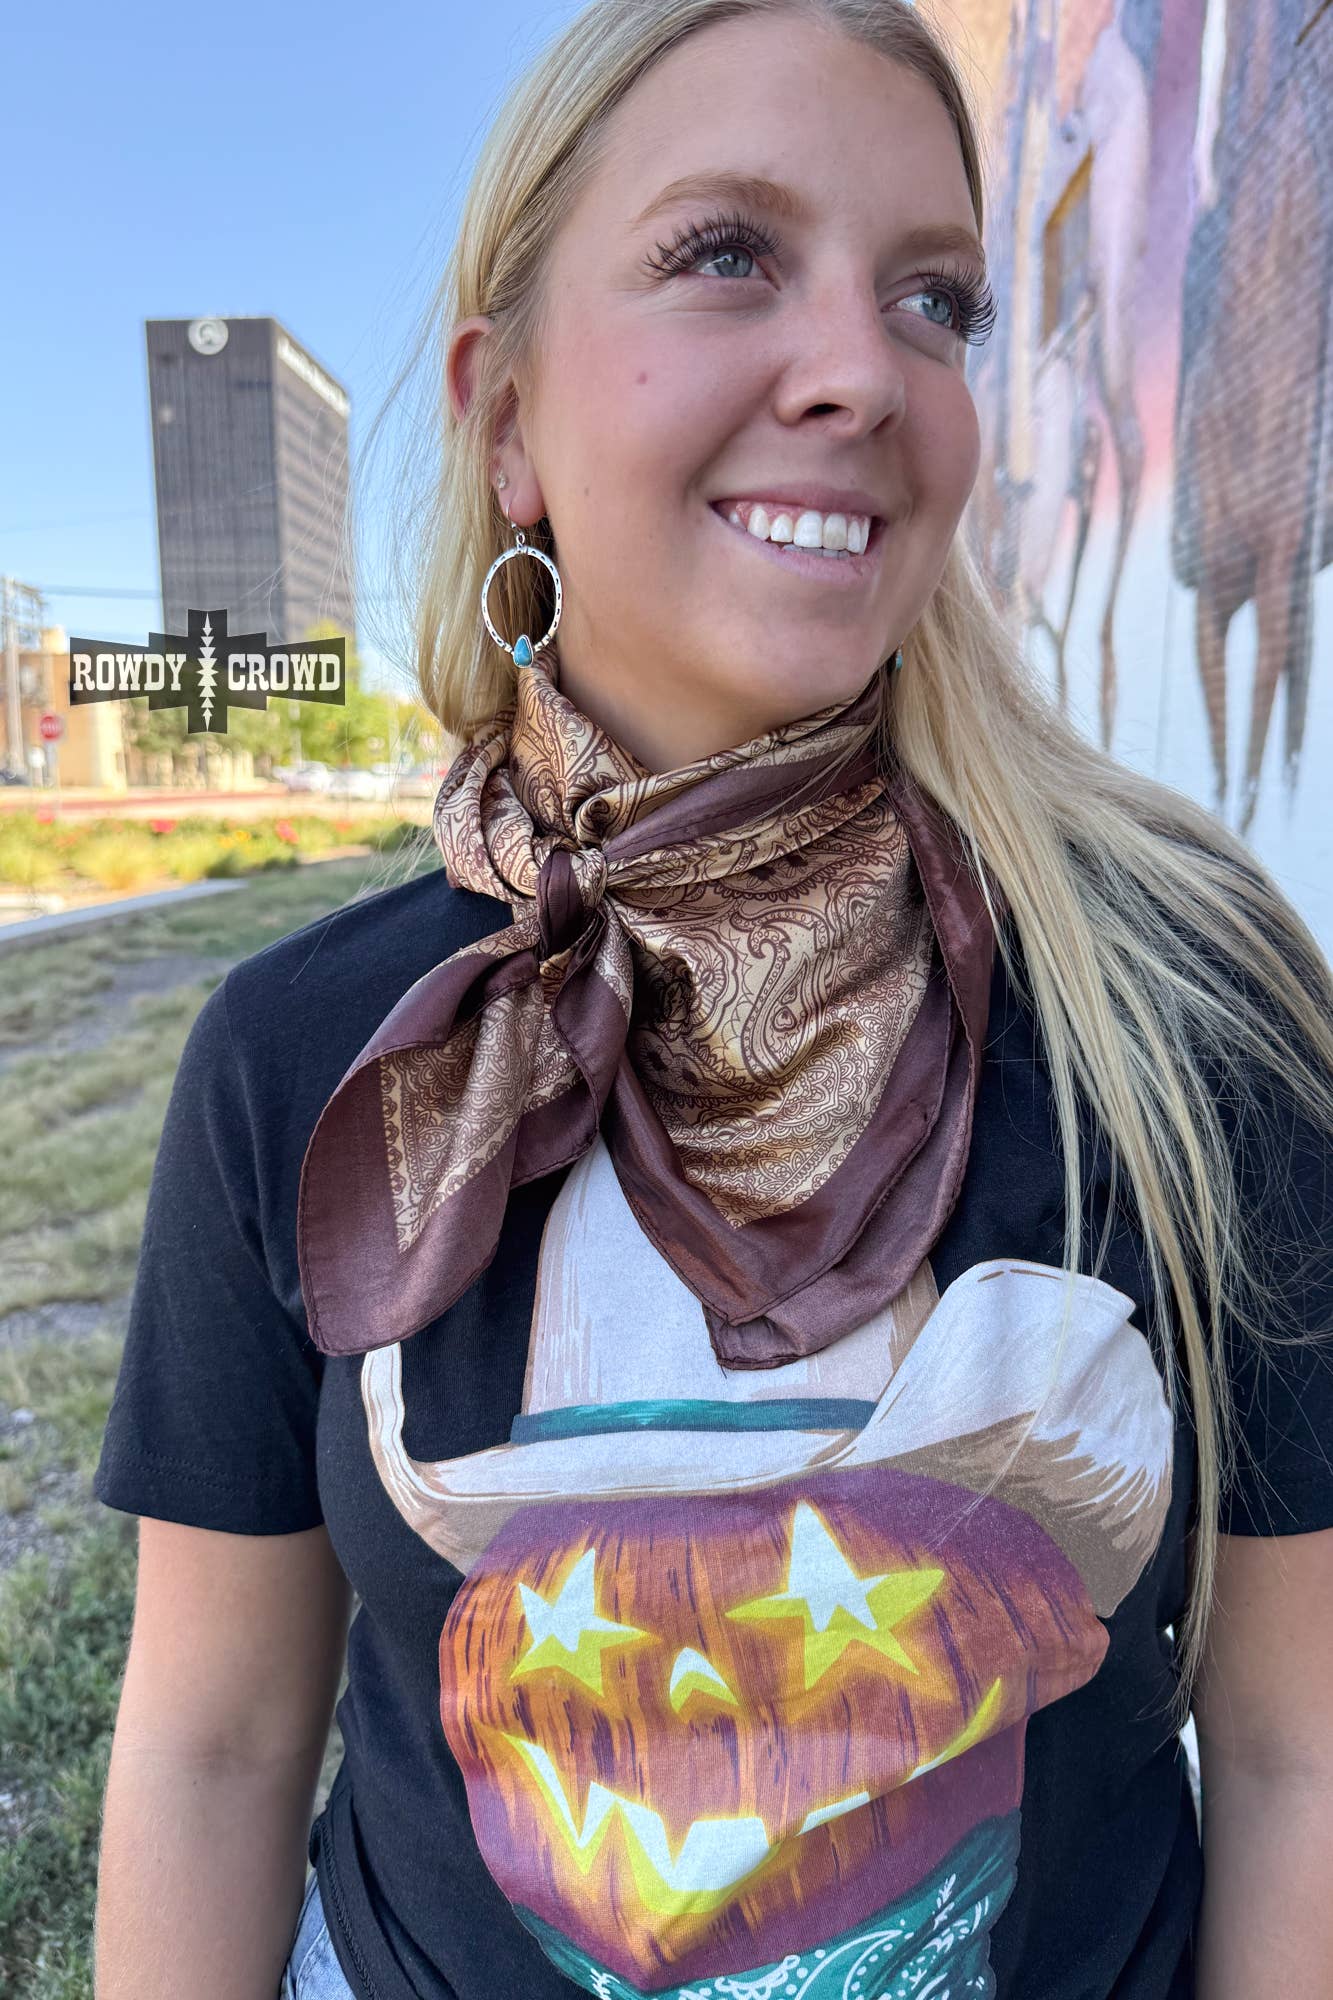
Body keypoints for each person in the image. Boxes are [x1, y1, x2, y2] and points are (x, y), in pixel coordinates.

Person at [91, 3, 1333, 1997]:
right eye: (727, 254)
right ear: (504, 413)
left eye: (936, 298)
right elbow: (214, 1738)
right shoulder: (299, 1063)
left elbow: (1294, 1748)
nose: (860, 369)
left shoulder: (1192, 1024)